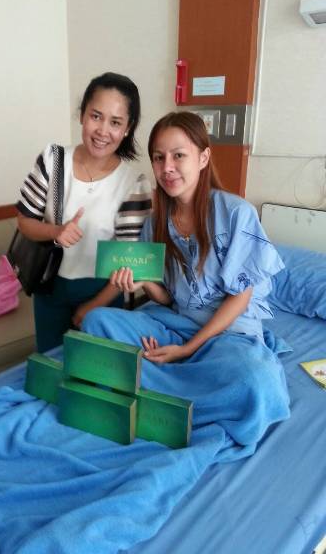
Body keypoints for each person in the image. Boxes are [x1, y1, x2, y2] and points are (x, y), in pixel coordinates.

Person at [82, 112, 290, 446]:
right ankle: (177, 394)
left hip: (227, 335)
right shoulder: (155, 222)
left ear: (203, 157)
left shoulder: (236, 213)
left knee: (256, 380)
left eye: (178, 155)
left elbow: (240, 298)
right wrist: (144, 283)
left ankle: (156, 392)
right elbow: (168, 298)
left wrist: (186, 350)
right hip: (175, 324)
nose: (167, 167)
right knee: (97, 323)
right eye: (158, 157)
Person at [16, 72, 152, 352]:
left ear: (128, 128)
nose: (103, 130)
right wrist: (56, 231)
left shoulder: (133, 184)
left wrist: (93, 306)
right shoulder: (53, 160)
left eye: (115, 122)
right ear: (82, 115)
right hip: (50, 288)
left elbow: (130, 263)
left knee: (98, 371)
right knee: (51, 366)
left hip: (104, 294)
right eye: (96, 116)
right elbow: (24, 221)